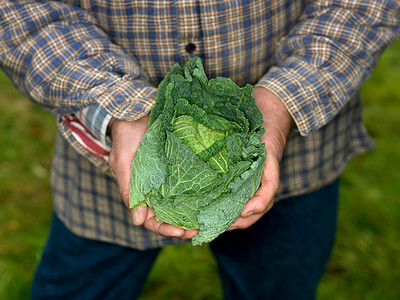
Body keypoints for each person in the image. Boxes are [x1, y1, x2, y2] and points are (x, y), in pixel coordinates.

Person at [0, 1, 399, 299]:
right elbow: (21, 13)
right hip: (101, 178)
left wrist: (280, 103)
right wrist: (121, 108)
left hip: (298, 165)